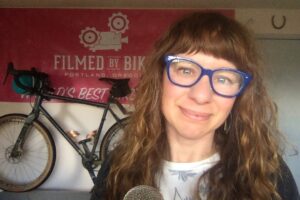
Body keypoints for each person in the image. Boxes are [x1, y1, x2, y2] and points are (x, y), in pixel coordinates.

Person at [91, 12, 299, 200]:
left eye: (224, 79)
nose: (201, 95)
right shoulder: (117, 166)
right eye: (186, 71)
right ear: (160, 77)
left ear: (240, 95)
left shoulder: (269, 176)